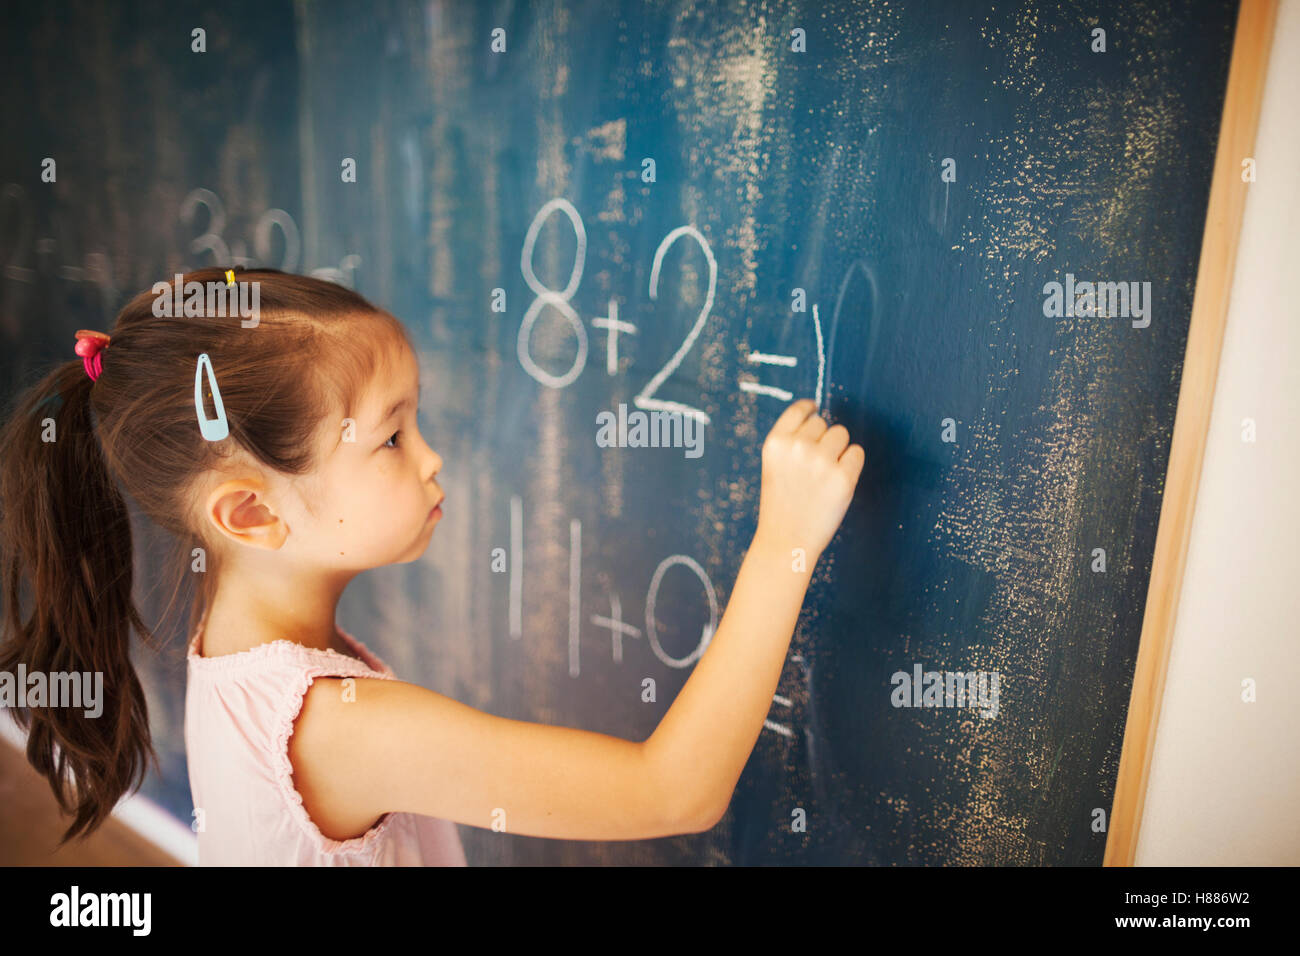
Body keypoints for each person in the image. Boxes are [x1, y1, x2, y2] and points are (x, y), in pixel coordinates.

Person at [0, 267, 864, 864]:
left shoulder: (231, 646)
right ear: (253, 513)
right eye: (390, 436)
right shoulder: (336, 728)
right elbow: (675, 792)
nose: (431, 459)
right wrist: (784, 540)